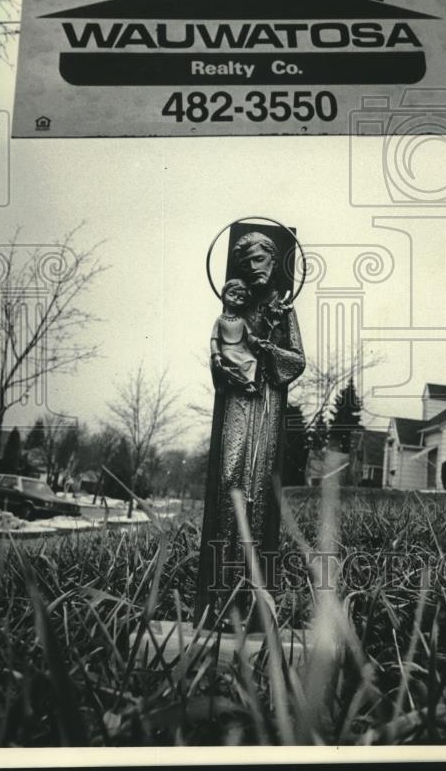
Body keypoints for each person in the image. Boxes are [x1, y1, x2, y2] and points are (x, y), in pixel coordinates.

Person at [194, 231, 306, 630]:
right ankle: (218, 595)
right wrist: (222, 366)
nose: (254, 269)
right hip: (237, 405)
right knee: (229, 482)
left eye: (261, 260)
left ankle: (248, 598)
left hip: (267, 406)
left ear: (274, 261)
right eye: (247, 263)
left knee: (257, 490)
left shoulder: (283, 310)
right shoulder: (234, 309)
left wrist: (266, 348)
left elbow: (296, 361)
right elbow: (219, 352)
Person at [210, 279, 259, 395]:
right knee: (231, 361)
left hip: (241, 349)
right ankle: (241, 383)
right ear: (224, 294)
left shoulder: (242, 320)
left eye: (241, 298)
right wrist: (216, 354)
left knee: (252, 360)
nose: (235, 299)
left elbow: (250, 335)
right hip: (227, 349)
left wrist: (258, 342)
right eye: (232, 294)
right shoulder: (220, 320)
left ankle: (249, 382)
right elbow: (214, 339)